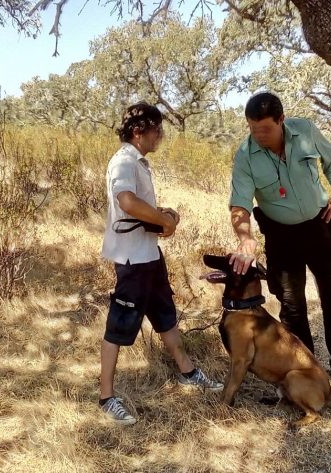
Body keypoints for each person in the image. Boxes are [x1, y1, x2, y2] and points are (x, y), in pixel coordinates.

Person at [227, 92, 331, 393]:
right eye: (253, 129)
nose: (258, 135)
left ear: (281, 120)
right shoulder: (245, 155)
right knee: (292, 307)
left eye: (265, 129)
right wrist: (246, 239)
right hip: (281, 237)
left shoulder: (304, 130)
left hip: (322, 227)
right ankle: (304, 369)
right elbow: (239, 205)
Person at [99, 102, 223, 425]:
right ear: (140, 132)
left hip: (150, 258)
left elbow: (139, 207)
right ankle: (106, 396)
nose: (161, 136)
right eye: (157, 130)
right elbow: (126, 201)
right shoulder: (124, 160)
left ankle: (188, 372)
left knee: (165, 318)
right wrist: (165, 222)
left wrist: (162, 217)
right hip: (132, 262)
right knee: (118, 327)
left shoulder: (139, 162)